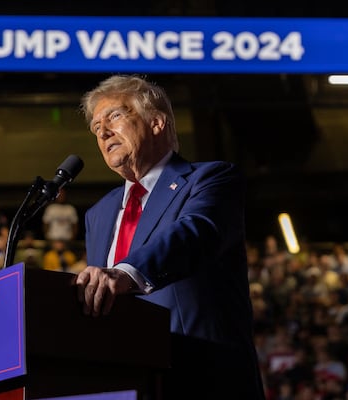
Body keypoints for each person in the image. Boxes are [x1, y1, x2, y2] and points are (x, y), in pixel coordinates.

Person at [75, 74, 265, 399]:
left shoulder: (211, 179)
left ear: (157, 122)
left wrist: (125, 273)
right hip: (127, 383)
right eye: (96, 127)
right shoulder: (99, 213)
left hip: (203, 379)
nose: (103, 132)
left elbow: (196, 233)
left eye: (115, 116)